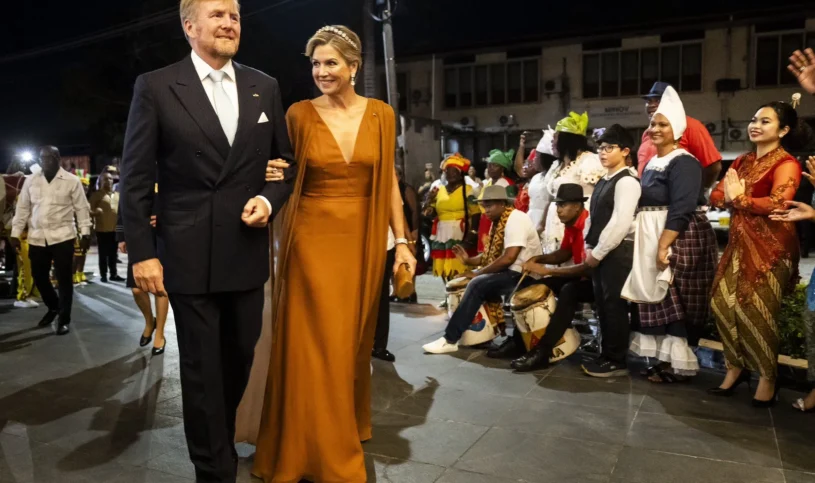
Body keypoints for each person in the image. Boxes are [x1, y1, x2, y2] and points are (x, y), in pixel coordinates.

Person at [119, 0, 296, 480]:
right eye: (218, 15)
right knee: (201, 372)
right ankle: (214, 469)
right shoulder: (156, 86)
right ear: (189, 26)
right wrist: (143, 255)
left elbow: (285, 163)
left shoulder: (264, 85)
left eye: (234, 16)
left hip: (244, 250)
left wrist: (269, 200)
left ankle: (218, 444)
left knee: (239, 360)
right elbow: (135, 180)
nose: (229, 23)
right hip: (187, 253)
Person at [241, 25, 416, 483]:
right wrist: (265, 175)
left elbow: (389, 183)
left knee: (350, 343)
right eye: (316, 63)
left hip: (362, 241)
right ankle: (314, 447)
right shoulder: (298, 114)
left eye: (331, 63)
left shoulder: (381, 115)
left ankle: (340, 424)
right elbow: (280, 168)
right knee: (315, 343)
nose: (321, 71)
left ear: (354, 66)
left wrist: (402, 241)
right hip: (309, 240)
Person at [709, 99, 806, 406]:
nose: (755, 125)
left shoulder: (787, 163)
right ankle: (735, 367)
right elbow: (716, 194)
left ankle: (767, 377)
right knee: (721, 305)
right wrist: (732, 197)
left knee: (757, 311)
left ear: (784, 130)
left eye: (765, 121)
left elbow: (779, 202)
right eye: (753, 120)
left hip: (772, 248)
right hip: (739, 244)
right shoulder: (743, 161)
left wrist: (739, 199)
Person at [622, 86, 718, 383]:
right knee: (660, 300)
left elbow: (682, 207)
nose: (655, 129)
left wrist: (664, 245)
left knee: (675, 298)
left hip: (679, 236)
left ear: (676, 129)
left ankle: (678, 364)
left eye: (663, 124)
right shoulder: (653, 162)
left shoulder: (684, 161)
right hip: (655, 234)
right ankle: (664, 361)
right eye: (653, 124)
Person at [422, 184, 542, 355]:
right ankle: (483, 336)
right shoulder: (500, 222)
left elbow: (509, 258)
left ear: (502, 203)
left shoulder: (516, 219)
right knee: (477, 282)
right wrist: (469, 261)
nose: (486, 211)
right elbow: (491, 256)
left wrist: (477, 273)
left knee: (477, 283)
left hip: (524, 275)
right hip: (511, 271)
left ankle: (450, 339)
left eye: (490, 205)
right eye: (484, 206)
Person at [509, 184, 595, 372]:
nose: (558, 210)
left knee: (569, 291)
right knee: (539, 285)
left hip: (595, 281)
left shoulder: (587, 225)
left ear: (577, 206)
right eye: (557, 205)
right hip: (580, 276)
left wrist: (546, 270)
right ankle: (519, 342)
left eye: (563, 205)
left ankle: (543, 350)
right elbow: (564, 253)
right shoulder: (572, 224)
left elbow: (587, 269)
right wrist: (539, 259)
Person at [11, 146, 91, 336]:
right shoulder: (31, 180)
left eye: (48, 157)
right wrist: (15, 233)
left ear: (57, 158)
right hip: (37, 237)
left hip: (63, 236)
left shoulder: (71, 181)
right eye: (42, 158)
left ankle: (64, 319)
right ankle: (54, 306)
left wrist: (85, 233)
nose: (44, 161)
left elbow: (81, 208)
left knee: (64, 279)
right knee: (39, 276)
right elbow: (22, 209)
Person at [581, 125, 640, 377]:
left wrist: (598, 252)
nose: (603, 153)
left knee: (614, 307)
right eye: (600, 148)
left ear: (625, 151)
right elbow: (592, 217)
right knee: (603, 306)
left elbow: (620, 223)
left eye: (609, 148)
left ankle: (616, 360)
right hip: (600, 250)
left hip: (617, 252)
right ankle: (606, 354)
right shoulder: (605, 180)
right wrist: (588, 245)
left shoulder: (627, 182)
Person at [542, 112, 606, 256]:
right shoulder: (556, 165)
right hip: (556, 219)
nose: (552, 142)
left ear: (566, 140)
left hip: (580, 219)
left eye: (555, 137)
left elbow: (601, 193)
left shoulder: (589, 161)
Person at [637, 82, 722, 189]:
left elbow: (713, 166)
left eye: (658, 100)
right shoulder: (648, 132)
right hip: (646, 195)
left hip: (677, 195)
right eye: (649, 101)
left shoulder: (691, 126)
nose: (651, 105)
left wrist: (701, 190)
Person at [117, 185, 169, 356]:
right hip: (139, 235)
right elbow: (125, 202)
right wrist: (122, 235)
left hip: (165, 234)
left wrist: (167, 217)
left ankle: (159, 334)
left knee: (161, 288)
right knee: (137, 289)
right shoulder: (135, 172)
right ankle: (149, 322)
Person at [425, 153, 481, 283]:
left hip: (459, 232)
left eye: (454, 171)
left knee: (459, 265)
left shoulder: (468, 190)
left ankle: (460, 291)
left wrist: (473, 233)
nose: (450, 174)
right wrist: (429, 202)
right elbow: (431, 213)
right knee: (445, 267)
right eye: (448, 171)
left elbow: (476, 213)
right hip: (442, 233)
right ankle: (448, 291)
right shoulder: (439, 190)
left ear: (460, 173)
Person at [477, 149, 517, 253]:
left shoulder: (507, 183)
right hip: (485, 221)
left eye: (495, 165)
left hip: (499, 222)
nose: (490, 168)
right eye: (489, 165)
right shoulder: (488, 182)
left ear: (502, 168)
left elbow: (512, 206)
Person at [89, 171, 123, 283]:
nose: (108, 181)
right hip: (102, 229)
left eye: (110, 179)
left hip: (114, 229)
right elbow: (88, 210)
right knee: (103, 254)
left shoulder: (117, 195)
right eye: (105, 179)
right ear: (100, 181)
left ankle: (114, 274)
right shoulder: (97, 195)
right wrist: (95, 212)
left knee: (113, 253)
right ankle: (103, 275)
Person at [72, 177, 90, 286]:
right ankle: (73, 275)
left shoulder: (86, 199)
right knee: (76, 254)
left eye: (87, 186)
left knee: (83, 253)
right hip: (77, 230)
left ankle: (80, 273)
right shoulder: (74, 198)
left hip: (86, 229)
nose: (85, 188)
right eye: (83, 186)